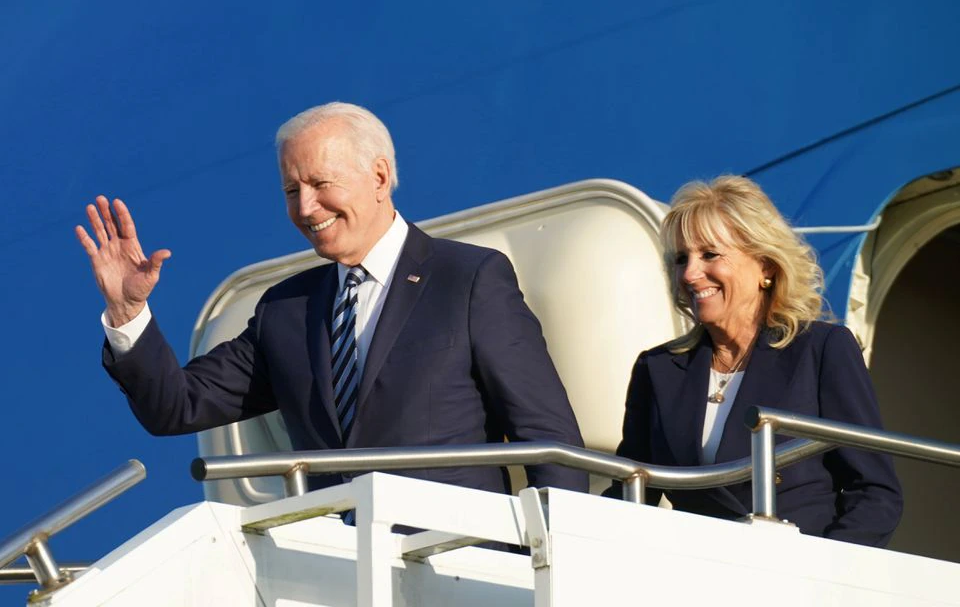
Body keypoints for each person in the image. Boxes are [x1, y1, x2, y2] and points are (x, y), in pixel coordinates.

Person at [76, 101, 588, 496]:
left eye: (320, 183)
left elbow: (549, 441)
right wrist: (127, 311)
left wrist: (549, 570)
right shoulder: (286, 310)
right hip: (334, 576)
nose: (305, 207)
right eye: (290, 190)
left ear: (380, 177)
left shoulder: (469, 279)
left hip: (459, 567)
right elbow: (176, 408)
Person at [612, 175, 902, 546]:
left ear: (765, 265)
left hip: (799, 575)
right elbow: (631, 500)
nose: (689, 273)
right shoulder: (657, 370)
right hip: (697, 575)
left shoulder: (821, 349)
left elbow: (875, 494)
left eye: (709, 255)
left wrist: (826, 576)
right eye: (681, 258)